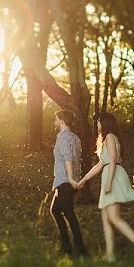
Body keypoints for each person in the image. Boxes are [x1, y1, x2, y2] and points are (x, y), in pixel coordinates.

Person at [77, 112, 134, 262]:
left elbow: (113, 160)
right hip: (110, 174)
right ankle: (110, 255)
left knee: (114, 217)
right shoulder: (107, 139)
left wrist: (109, 182)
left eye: (98, 123)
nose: (97, 125)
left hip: (113, 175)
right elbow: (100, 164)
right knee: (106, 218)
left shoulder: (109, 137)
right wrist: (84, 180)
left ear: (105, 123)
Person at [50, 109, 87, 257]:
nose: (55, 122)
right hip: (66, 181)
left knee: (69, 214)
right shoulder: (75, 138)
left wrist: (71, 179)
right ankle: (66, 245)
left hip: (66, 181)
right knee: (56, 210)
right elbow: (77, 158)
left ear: (62, 121)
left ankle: (79, 249)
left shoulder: (63, 139)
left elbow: (68, 159)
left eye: (56, 119)